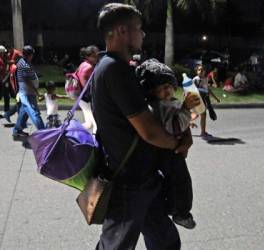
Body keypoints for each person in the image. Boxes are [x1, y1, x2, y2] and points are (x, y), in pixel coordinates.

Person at [91, 3, 199, 250]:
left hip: (143, 178)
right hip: (129, 181)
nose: (143, 34)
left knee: (165, 241)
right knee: (115, 245)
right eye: (138, 28)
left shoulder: (110, 67)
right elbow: (149, 130)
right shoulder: (115, 71)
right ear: (122, 31)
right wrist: (178, 144)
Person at [136, 58, 197, 229]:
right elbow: (173, 127)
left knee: (175, 181)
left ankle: (174, 207)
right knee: (181, 181)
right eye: (161, 88)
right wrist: (185, 110)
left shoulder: (169, 102)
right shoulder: (157, 107)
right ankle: (181, 213)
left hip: (171, 149)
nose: (167, 90)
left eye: (169, 85)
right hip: (166, 150)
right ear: (151, 92)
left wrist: (186, 117)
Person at [12, 45, 44, 140]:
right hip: (28, 92)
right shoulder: (24, 64)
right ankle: (44, 132)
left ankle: (17, 131)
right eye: (32, 54)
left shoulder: (23, 62)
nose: (32, 56)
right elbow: (27, 80)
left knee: (24, 112)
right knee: (35, 113)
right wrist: (36, 92)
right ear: (29, 55)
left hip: (25, 91)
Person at [193, 65, 220, 138]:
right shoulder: (195, 79)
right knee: (203, 114)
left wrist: (216, 98)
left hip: (204, 99)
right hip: (197, 100)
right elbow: (191, 90)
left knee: (200, 115)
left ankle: (202, 131)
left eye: (202, 70)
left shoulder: (205, 79)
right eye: (199, 70)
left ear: (205, 71)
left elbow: (208, 90)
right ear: (196, 71)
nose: (200, 71)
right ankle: (203, 132)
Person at [77, 45, 99, 134]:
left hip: (81, 98)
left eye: (97, 55)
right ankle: (96, 143)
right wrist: (92, 94)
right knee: (97, 125)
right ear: (87, 56)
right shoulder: (89, 67)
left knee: (89, 123)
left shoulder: (82, 64)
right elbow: (84, 82)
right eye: (94, 56)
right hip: (86, 98)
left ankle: (73, 133)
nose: (97, 58)